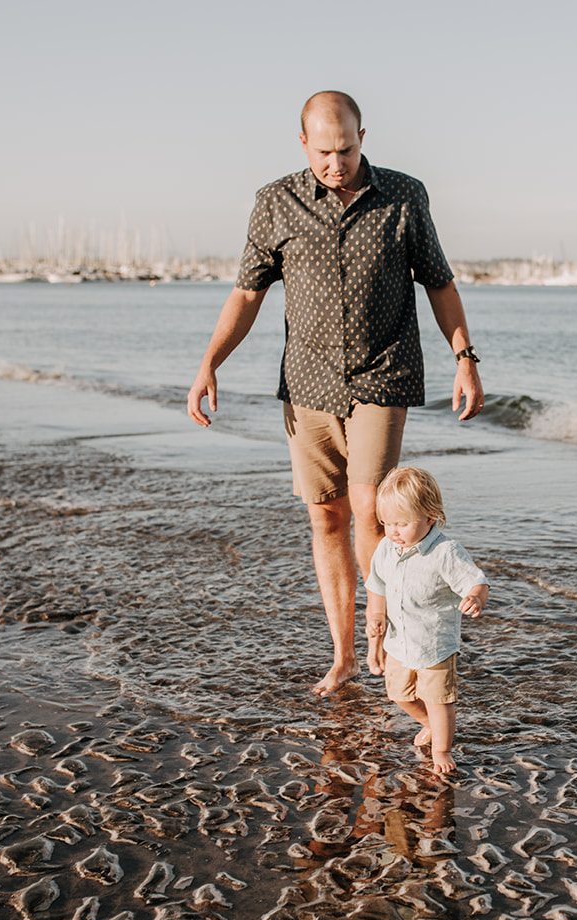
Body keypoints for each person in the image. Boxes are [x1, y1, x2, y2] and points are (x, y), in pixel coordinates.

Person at [187, 91, 485, 695]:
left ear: (362, 136)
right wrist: (208, 364)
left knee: (371, 505)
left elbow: (440, 283)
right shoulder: (276, 202)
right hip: (308, 385)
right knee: (326, 515)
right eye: (324, 151)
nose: (336, 163)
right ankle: (345, 653)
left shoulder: (404, 195)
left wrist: (465, 359)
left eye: (346, 149)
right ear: (303, 144)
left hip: (383, 375)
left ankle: (387, 634)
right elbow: (247, 294)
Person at [364, 467, 489, 774]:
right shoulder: (385, 548)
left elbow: (477, 582)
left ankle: (443, 748)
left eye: (402, 523)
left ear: (430, 516)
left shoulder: (446, 552)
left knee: (439, 699)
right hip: (398, 642)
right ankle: (429, 725)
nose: (393, 530)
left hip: (434, 644)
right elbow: (376, 587)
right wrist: (377, 616)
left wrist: (474, 597)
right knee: (398, 694)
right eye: (386, 523)